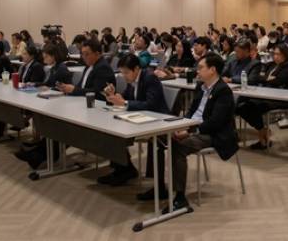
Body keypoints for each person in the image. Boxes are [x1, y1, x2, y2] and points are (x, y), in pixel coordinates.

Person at [167, 53, 238, 212]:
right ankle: (159, 188)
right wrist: (182, 125)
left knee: (178, 146)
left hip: (214, 134)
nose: (197, 71)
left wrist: (190, 131)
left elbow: (215, 122)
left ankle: (180, 197)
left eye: (200, 68)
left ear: (212, 70)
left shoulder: (223, 91)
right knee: (161, 138)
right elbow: (191, 111)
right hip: (194, 127)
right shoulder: (201, 86)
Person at [102, 54, 170, 193]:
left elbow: (150, 104)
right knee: (111, 131)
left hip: (159, 120)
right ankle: (123, 169)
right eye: (122, 73)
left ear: (137, 69)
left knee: (155, 142)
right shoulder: (132, 80)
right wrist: (115, 96)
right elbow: (127, 98)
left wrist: (124, 102)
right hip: (141, 118)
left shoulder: (150, 78)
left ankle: (157, 185)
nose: (124, 76)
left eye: (126, 72)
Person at [237, 43, 288, 149]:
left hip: (280, 99)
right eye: (274, 54)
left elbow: (279, 81)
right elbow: (259, 77)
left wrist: (266, 79)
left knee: (253, 106)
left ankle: (263, 137)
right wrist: (267, 79)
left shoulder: (286, 67)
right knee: (241, 105)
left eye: (278, 54)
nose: (275, 56)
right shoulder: (271, 65)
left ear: (285, 54)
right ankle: (263, 131)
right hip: (266, 95)